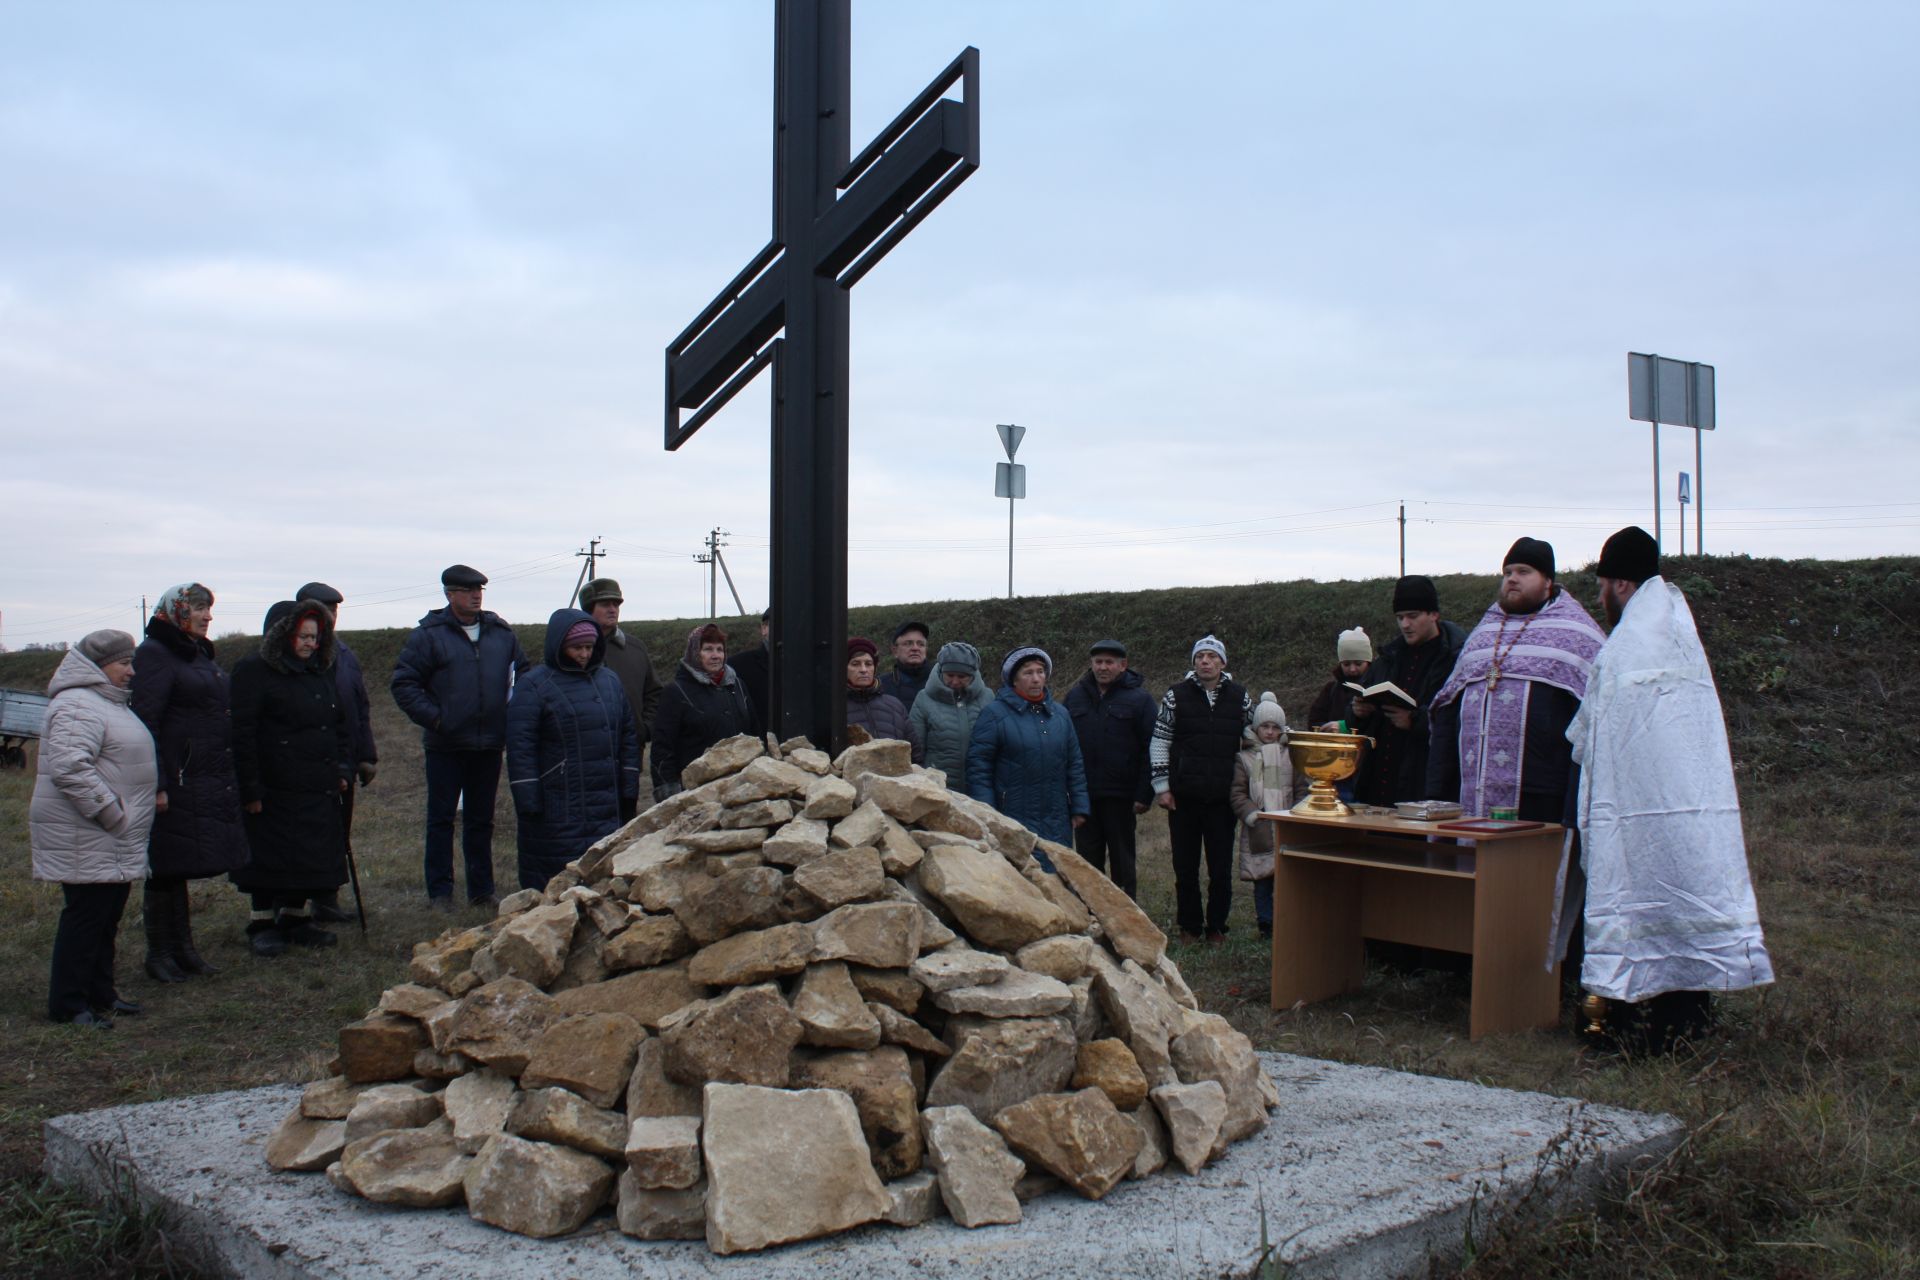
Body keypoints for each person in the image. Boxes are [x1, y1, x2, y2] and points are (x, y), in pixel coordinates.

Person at [1557, 526, 1773, 1051]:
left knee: (1639, 898)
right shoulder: (1676, 630)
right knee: (1676, 895)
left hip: (1638, 809)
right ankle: (1685, 1023)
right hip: (1686, 809)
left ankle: (1634, 1026)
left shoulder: (1631, 647)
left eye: (1603, 584)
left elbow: (1600, 734)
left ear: (1623, 585)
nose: (1599, 595)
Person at [31, 631, 158, 1028]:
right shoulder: (76, 705)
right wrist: (111, 812)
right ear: (99, 666)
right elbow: (70, 767)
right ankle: (68, 1005)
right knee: (86, 919)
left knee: (105, 919)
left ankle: (101, 995)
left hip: (112, 835)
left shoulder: (106, 703)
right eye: (124, 663)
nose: (131, 671)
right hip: (88, 832)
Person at [1428, 538, 1606, 820]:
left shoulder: (1577, 634)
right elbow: (1449, 707)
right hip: (1472, 790)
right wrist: (1436, 790)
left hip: (1543, 793)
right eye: (1508, 572)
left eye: (1523, 572)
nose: (1512, 579)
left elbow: (1593, 719)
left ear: (1548, 581)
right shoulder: (1483, 634)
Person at [390, 565, 531, 911]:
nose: (476, 595)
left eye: (479, 589)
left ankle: (482, 890)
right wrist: (437, 719)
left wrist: (512, 713)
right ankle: (440, 892)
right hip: (446, 745)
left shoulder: (501, 633)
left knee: (481, 821)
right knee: (441, 820)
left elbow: (524, 672)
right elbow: (404, 683)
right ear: (449, 594)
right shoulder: (429, 635)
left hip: (489, 744)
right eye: (468, 590)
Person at [131, 584, 249, 981]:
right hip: (176, 778)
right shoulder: (154, 654)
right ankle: (159, 953)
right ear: (178, 610)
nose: (207, 616)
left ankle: (184, 950)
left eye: (208, 609)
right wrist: (158, 782)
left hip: (202, 775)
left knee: (177, 864)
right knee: (164, 865)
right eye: (199, 608)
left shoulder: (193, 651)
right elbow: (146, 721)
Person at [230, 601, 353, 956]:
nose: (310, 644)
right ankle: (262, 921)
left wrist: (342, 769)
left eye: (315, 637)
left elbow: (338, 723)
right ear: (283, 635)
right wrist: (250, 787)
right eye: (303, 636)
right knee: (270, 853)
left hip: (316, 782)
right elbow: (242, 732)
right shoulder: (253, 670)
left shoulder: (320, 670)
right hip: (274, 784)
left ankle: (296, 918)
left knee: (309, 852)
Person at [507, 609, 642, 891]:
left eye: (589, 647)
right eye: (576, 647)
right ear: (559, 646)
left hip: (606, 803)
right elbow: (522, 748)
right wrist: (528, 800)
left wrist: (629, 784)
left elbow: (628, 734)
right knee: (554, 883)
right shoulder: (534, 686)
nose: (583, 654)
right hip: (558, 805)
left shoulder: (609, 682)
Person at [1151, 634, 1254, 944]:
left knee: (1220, 868)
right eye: (1200, 657)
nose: (1205, 661)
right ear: (1194, 662)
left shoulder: (1240, 697)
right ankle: (1190, 926)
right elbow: (1160, 740)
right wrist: (1162, 786)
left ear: (1223, 662)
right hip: (1184, 796)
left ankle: (1217, 927)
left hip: (1223, 797)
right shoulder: (1175, 696)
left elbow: (1254, 736)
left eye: (1212, 656)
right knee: (1185, 866)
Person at [293, 582, 377, 924]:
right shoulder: (295, 651)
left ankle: (327, 899)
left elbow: (359, 706)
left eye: (334, 609)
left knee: (337, 832)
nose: (330, 615)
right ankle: (295, 904)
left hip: (342, 757)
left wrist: (366, 754)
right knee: (307, 833)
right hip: (306, 759)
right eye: (323, 608)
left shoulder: (344, 655)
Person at [966, 647, 1088, 869]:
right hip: (1012, 813)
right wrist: (987, 811)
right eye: (1028, 673)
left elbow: (1074, 762)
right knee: (1021, 877)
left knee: (1057, 875)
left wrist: (1079, 805)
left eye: (1040, 672)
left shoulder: (1060, 715)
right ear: (1013, 679)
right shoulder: (994, 714)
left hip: (1056, 814)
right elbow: (979, 767)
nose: (1036, 679)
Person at [1350, 576, 1467, 806]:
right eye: (1400, 617)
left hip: (1425, 783)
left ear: (1434, 614)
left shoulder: (1455, 659)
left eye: (1413, 616)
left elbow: (1461, 717)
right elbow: (1357, 718)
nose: (1405, 625)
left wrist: (1416, 721)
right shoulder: (1389, 657)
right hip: (1378, 783)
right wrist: (1358, 712)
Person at [1062, 638, 1156, 898]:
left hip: (1122, 797)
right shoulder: (1075, 696)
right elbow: (1063, 743)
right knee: (1086, 863)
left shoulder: (1140, 700)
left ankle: (1128, 918)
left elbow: (1152, 747)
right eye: (1098, 662)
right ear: (1091, 664)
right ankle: (1091, 917)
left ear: (1123, 665)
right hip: (1084, 796)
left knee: (1122, 862)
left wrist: (1144, 793)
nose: (1103, 667)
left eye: (1109, 662)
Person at [578, 578, 663, 819]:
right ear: (589, 608)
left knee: (626, 816)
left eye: (616, 603)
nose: (613, 609)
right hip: (586, 755)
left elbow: (654, 693)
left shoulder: (635, 649)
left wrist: (644, 729)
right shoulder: (575, 648)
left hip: (628, 752)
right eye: (605, 603)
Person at [649, 623, 757, 798]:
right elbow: (663, 747)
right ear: (694, 653)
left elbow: (754, 732)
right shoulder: (676, 692)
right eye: (708, 649)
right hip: (695, 793)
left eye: (719, 650)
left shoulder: (737, 686)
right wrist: (669, 792)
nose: (715, 656)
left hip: (738, 789)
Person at [1229, 693, 1303, 940]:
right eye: (1265, 726)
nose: (1270, 732)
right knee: (1262, 880)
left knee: (1287, 879)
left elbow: (1301, 787)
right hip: (1259, 826)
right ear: (1255, 728)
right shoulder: (1244, 758)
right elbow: (1238, 793)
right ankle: (1266, 924)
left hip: (1287, 824)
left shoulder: (1292, 756)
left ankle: (1287, 919)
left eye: (1275, 727)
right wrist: (1251, 814)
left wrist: (1298, 813)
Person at [909, 640, 990, 786]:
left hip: (979, 786)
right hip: (939, 788)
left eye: (962, 676)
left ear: (973, 675)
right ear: (941, 671)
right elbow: (916, 749)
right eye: (950, 675)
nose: (955, 681)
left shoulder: (987, 697)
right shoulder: (923, 699)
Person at [845, 636, 922, 760]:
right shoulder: (834, 708)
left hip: (897, 778)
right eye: (855, 664)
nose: (864, 670)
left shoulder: (894, 705)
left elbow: (916, 754)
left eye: (869, 664)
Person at [1307, 627, 1373, 729]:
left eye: (1358, 663)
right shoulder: (1331, 690)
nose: (1352, 669)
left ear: (1368, 662)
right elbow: (1314, 722)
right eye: (1346, 664)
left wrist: (1344, 727)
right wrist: (1328, 729)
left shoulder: (1378, 688)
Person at [877, 620, 932, 708]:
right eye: (908, 644)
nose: (915, 648)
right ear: (895, 651)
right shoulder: (880, 687)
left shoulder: (942, 682)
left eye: (921, 644)